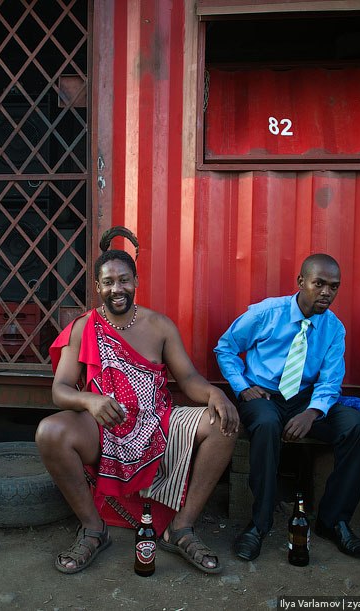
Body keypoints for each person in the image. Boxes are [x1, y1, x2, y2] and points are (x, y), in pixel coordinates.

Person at [36, 227, 239, 575]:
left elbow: (188, 379)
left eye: (124, 280)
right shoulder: (84, 327)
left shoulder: (160, 326)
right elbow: (61, 390)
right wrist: (90, 401)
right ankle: (93, 529)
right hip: (103, 424)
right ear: (98, 286)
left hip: (157, 419)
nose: (117, 288)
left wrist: (215, 394)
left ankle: (182, 528)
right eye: (108, 282)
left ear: (136, 282)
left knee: (223, 424)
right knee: (49, 431)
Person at [215, 254, 360, 562]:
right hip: (264, 397)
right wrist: (243, 387)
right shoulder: (267, 313)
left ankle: (334, 522)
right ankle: (259, 525)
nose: (326, 292)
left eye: (334, 286)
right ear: (301, 282)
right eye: (319, 284)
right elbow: (226, 347)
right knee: (266, 425)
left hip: (305, 399)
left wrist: (312, 413)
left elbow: (330, 381)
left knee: (358, 426)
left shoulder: (334, 328)